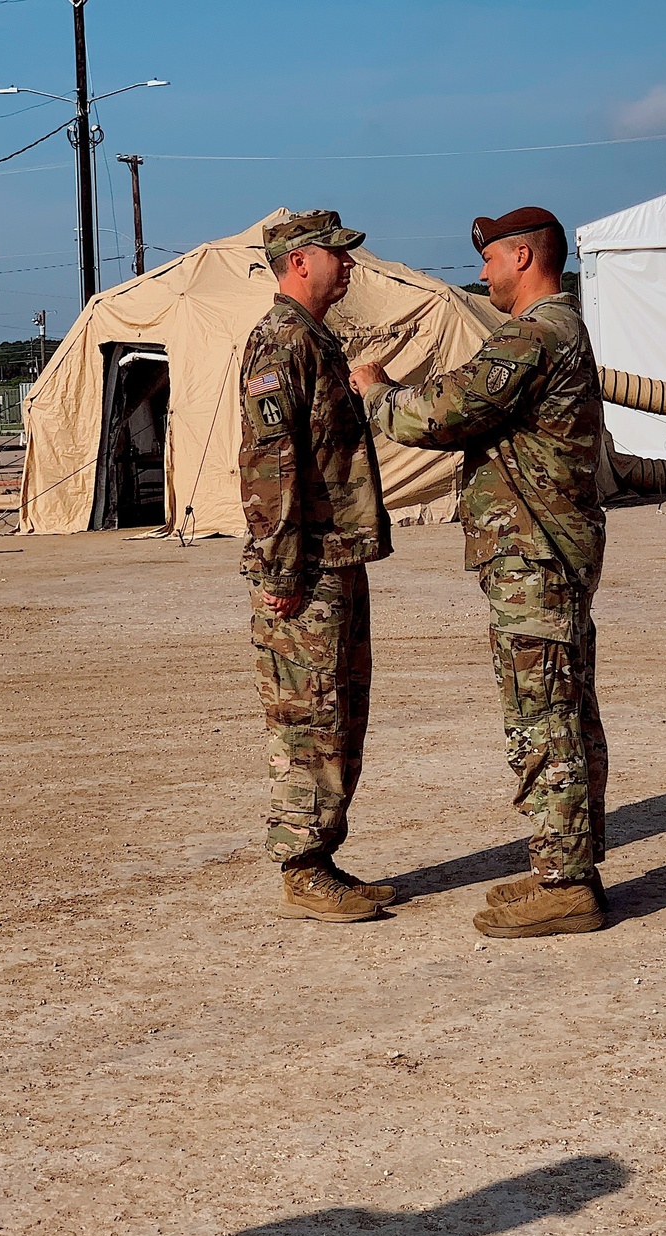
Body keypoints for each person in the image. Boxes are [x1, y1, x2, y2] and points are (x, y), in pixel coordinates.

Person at [351, 207, 608, 939]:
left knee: (543, 715)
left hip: (535, 556)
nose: (485, 273)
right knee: (566, 708)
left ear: (524, 257)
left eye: (492, 260)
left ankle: (565, 886)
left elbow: (446, 412)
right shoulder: (562, 330)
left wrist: (376, 391)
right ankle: (565, 864)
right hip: (548, 551)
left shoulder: (534, 334)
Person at [239, 209, 394, 923]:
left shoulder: (317, 341)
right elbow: (272, 469)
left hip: (337, 559)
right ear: (300, 261)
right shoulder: (279, 343)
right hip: (305, 569)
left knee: (339, 717)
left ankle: (321, 855)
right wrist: (280, 573)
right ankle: (300, 866)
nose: (351, 265)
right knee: (307, 716)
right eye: (340, 254)